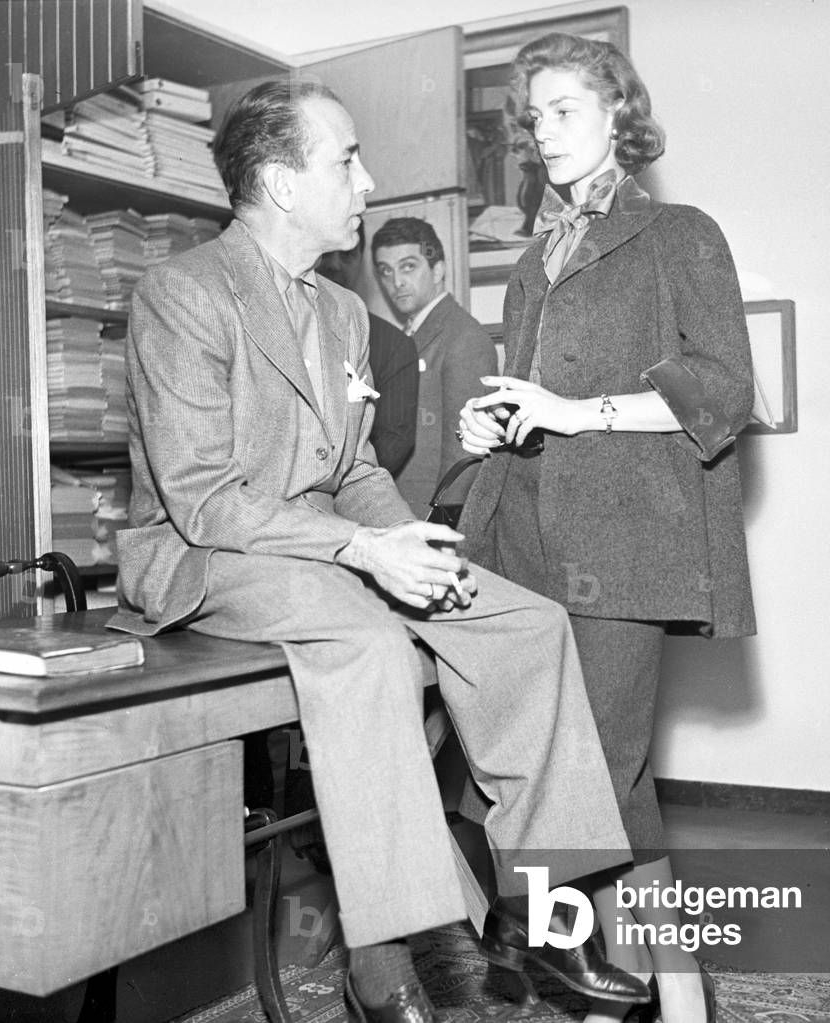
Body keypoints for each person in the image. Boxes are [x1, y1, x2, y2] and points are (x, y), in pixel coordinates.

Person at [108, 78, 651, 1023]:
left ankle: (543, 923)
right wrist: (366, 549)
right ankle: (392, 950)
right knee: (368, 642)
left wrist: (405, 537)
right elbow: (202, 500)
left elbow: (354, 465)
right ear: (281, 184)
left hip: (322, 546)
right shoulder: (181, 294)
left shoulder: (343, 313)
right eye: (346, 159)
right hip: (208, 553)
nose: (368, 179)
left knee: (527, 622)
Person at [458, 33, 757, 1023]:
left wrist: (575, 411)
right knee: (548, 774)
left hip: (626, 541)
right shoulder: (533, 265)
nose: (544, 132)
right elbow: (536, 399)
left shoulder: (681, 235)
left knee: (609, 774)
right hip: (525, 537)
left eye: (566, 110)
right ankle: (602, 978)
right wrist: (491, 422)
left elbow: (720, 393)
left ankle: (660, 987)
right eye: (533, 116)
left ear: (618, 116)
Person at [371, 217, 498, 516]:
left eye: (408, 266)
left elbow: (466, 455)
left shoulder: (463, 337)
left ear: (438, 270)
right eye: (385, 271)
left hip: (430, 514)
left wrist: (442, 523)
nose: (396, 282)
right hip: (400, 512)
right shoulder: (407, 335)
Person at [316, 226, 419, 477]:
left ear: (360, 259)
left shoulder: (392, 345)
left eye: (348, 255)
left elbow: (391, 446)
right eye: (326, 253)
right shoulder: (281, 326)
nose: (335, 266)